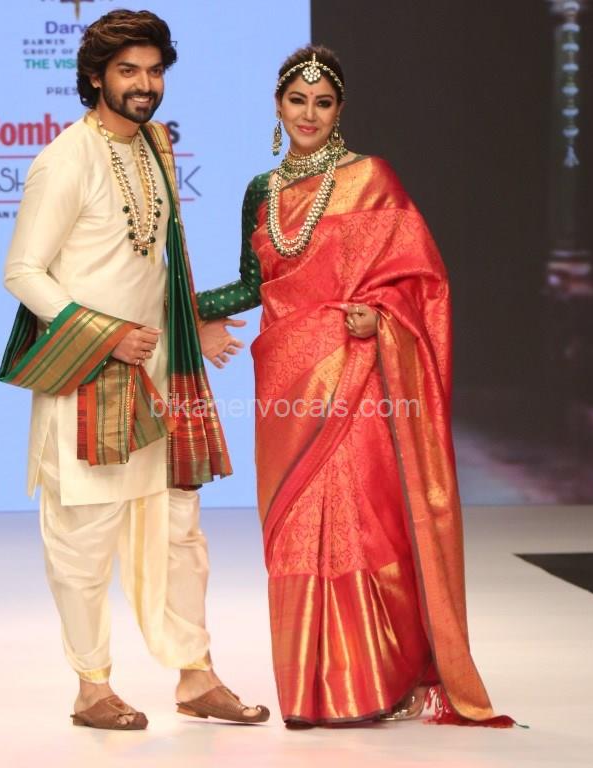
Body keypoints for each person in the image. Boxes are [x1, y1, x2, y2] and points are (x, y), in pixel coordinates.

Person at [197, 45, 515, 727]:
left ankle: (374, 681)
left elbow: (423, 281)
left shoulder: (371, 179)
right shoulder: (260, 190)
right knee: (292, 528)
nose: (308, 114)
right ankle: (308, 692)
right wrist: (183, 304)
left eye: (322, 102)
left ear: (339, 109)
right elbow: (254, 284)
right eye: (297, 100)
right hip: (286, 383)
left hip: (358, 376)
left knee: (359, 523)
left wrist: (383, 316)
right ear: (278, 106)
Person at [0, 10, 265, 731]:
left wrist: (191, 322)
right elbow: (21, 271)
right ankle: (92, 688)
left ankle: (195, 675)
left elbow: (160, 261)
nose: (145, 84)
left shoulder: (157, 144)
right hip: (93, 376)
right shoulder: (65, 159)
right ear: (95, 77)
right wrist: (106, 336)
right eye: (128, 71)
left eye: (153, 71)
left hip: (162, 374)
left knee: (179, 533)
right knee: (84, 539)